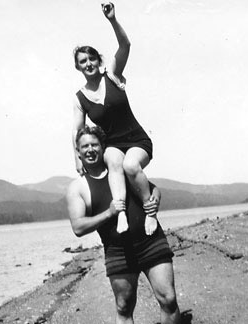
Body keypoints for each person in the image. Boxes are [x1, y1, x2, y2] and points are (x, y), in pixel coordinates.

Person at [67, 125, 181, 324]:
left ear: (103, 146)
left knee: (168, 299)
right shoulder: (78, 188)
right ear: (78, 151)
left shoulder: (119, 167)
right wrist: (109, 212)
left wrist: (154, 202)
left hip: (150, 241)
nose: (90, 150)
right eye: (85, 146)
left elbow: (153, 190)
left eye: (94, 144)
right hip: (118, 251)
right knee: (124, 307)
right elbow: (78, 227)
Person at [72, 2, 157, 236]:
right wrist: (77, 159)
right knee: (113, 161)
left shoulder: (113, 75)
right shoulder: (80, 98)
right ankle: (121, 214)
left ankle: (150, 211)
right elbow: (77, 132)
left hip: (137, 140)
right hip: (113, 145)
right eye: (82, 61)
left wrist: (112, 19)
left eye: (91, 59)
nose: (88, 64)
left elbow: (125, 45)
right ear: (78, 67)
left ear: (98, 61)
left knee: (131, 165)